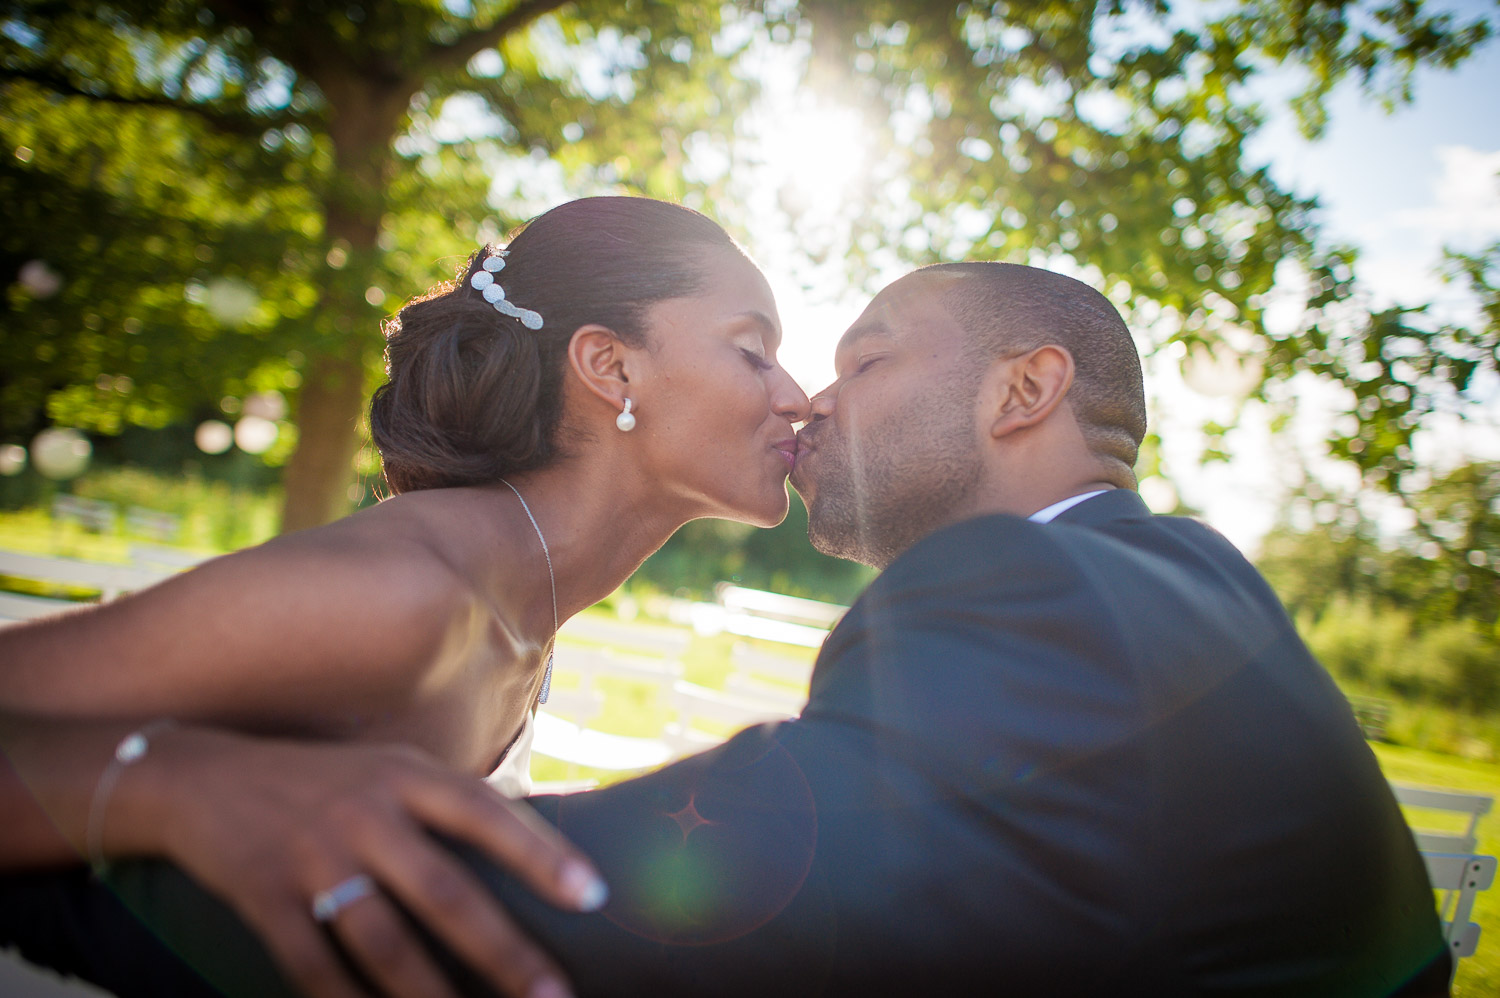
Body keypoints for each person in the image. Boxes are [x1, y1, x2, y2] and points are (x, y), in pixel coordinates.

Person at [5, 263, 1449, 996]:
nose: (811, 402)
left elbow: (582, 919)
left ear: (1025, 392)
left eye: (861, 358)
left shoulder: (1040, 593)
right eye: (772, 357)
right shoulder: (1199, 587)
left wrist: (112, 833)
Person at [0, 195, 811, 998]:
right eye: (753, 350)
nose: (796, 397)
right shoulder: (402, 594)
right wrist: (174, 787)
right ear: (611, 366)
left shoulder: (527, 605)